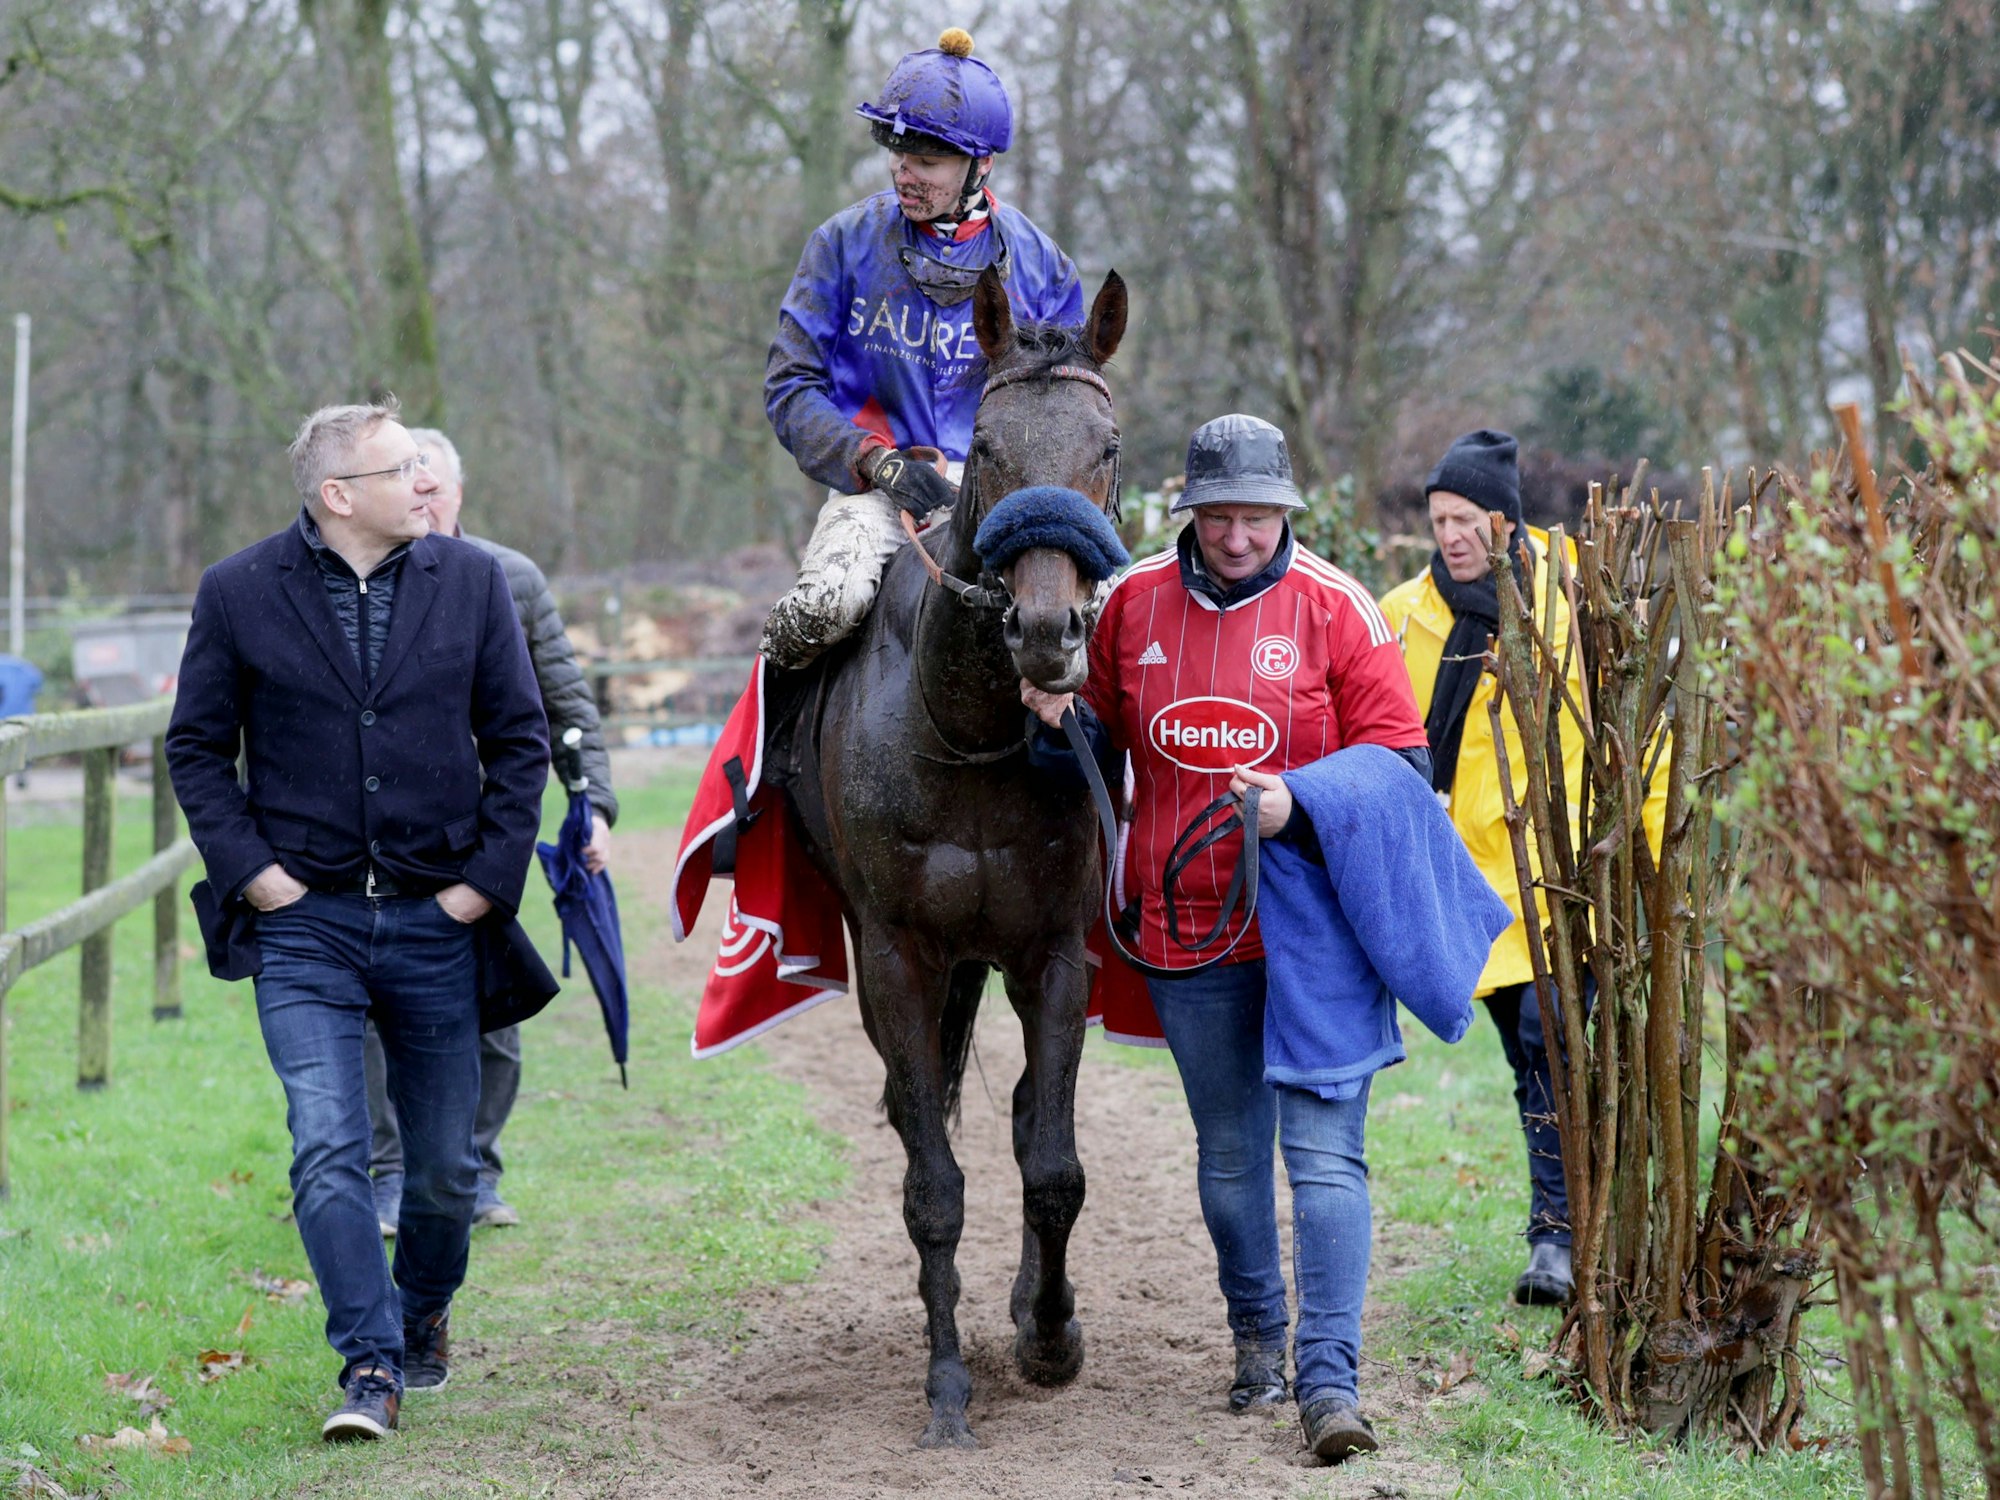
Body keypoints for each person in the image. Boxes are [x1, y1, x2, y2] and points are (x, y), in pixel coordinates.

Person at [1023, 414, 1433, 1463]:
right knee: (1231, 1152)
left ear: (1283, 511)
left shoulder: (1337, 609)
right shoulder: (1128, 604)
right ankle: (1256, 1335)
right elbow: (1097, 732)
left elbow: (1399, 764)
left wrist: (1296, 803)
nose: (1238, 536)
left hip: (1315, 930)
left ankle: (1326, 1380)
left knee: (1325, 1156)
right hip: (1185, 926)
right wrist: (1052, 715)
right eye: (1218, 517)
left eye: (1256, 516)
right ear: (1189, 515)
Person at [166, 401, 551, 1443]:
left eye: (426, 466)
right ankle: (369, 1361)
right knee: (328, 1147)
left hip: (439, 919)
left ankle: (422, 1311)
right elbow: (195, 749)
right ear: (339, 495)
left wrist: (481, 887)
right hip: (303, 929)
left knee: (442, 1171)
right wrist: (256, 875)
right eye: (402, 470)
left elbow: (520, 742)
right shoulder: (238, 592)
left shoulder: (471, 583)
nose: (425, 484)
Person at [1379, 429, 1664, 1307]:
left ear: (1502, 519)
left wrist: (1654, 864)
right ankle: (1569, 1226)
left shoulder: (1578, 593)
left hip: (1562, 873)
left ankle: (1559, 1237)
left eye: (1465, 519)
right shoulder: (1402, 615)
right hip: (1466, 885)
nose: (1451, 536)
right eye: (1439, 520)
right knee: (1529, 1057)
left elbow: (1640, 735)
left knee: (1555, 1046)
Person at [759, 25, 1084, 668]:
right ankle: (762, 763)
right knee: (818, 611)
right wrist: (874, 462)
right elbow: (789, 386)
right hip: (875, 493)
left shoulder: (1044, 268)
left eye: (927, 162)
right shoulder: (841, 243)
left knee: (1086, 638)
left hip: (1005, 498)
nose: (904, 174)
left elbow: (1070, 412)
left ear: (980, 164)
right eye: (898, 155)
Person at [361, 427, 617, 1236]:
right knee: (371, 1014)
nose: (421, 501)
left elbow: (564, 700)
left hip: (486, 836)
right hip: (383, 836)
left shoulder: (511, 579)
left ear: (458, 493)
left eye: (433, 487)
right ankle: (388, 1174)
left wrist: (593, 804)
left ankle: (473, 1171)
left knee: (494, 1017)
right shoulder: (359, 580)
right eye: (408, 486)